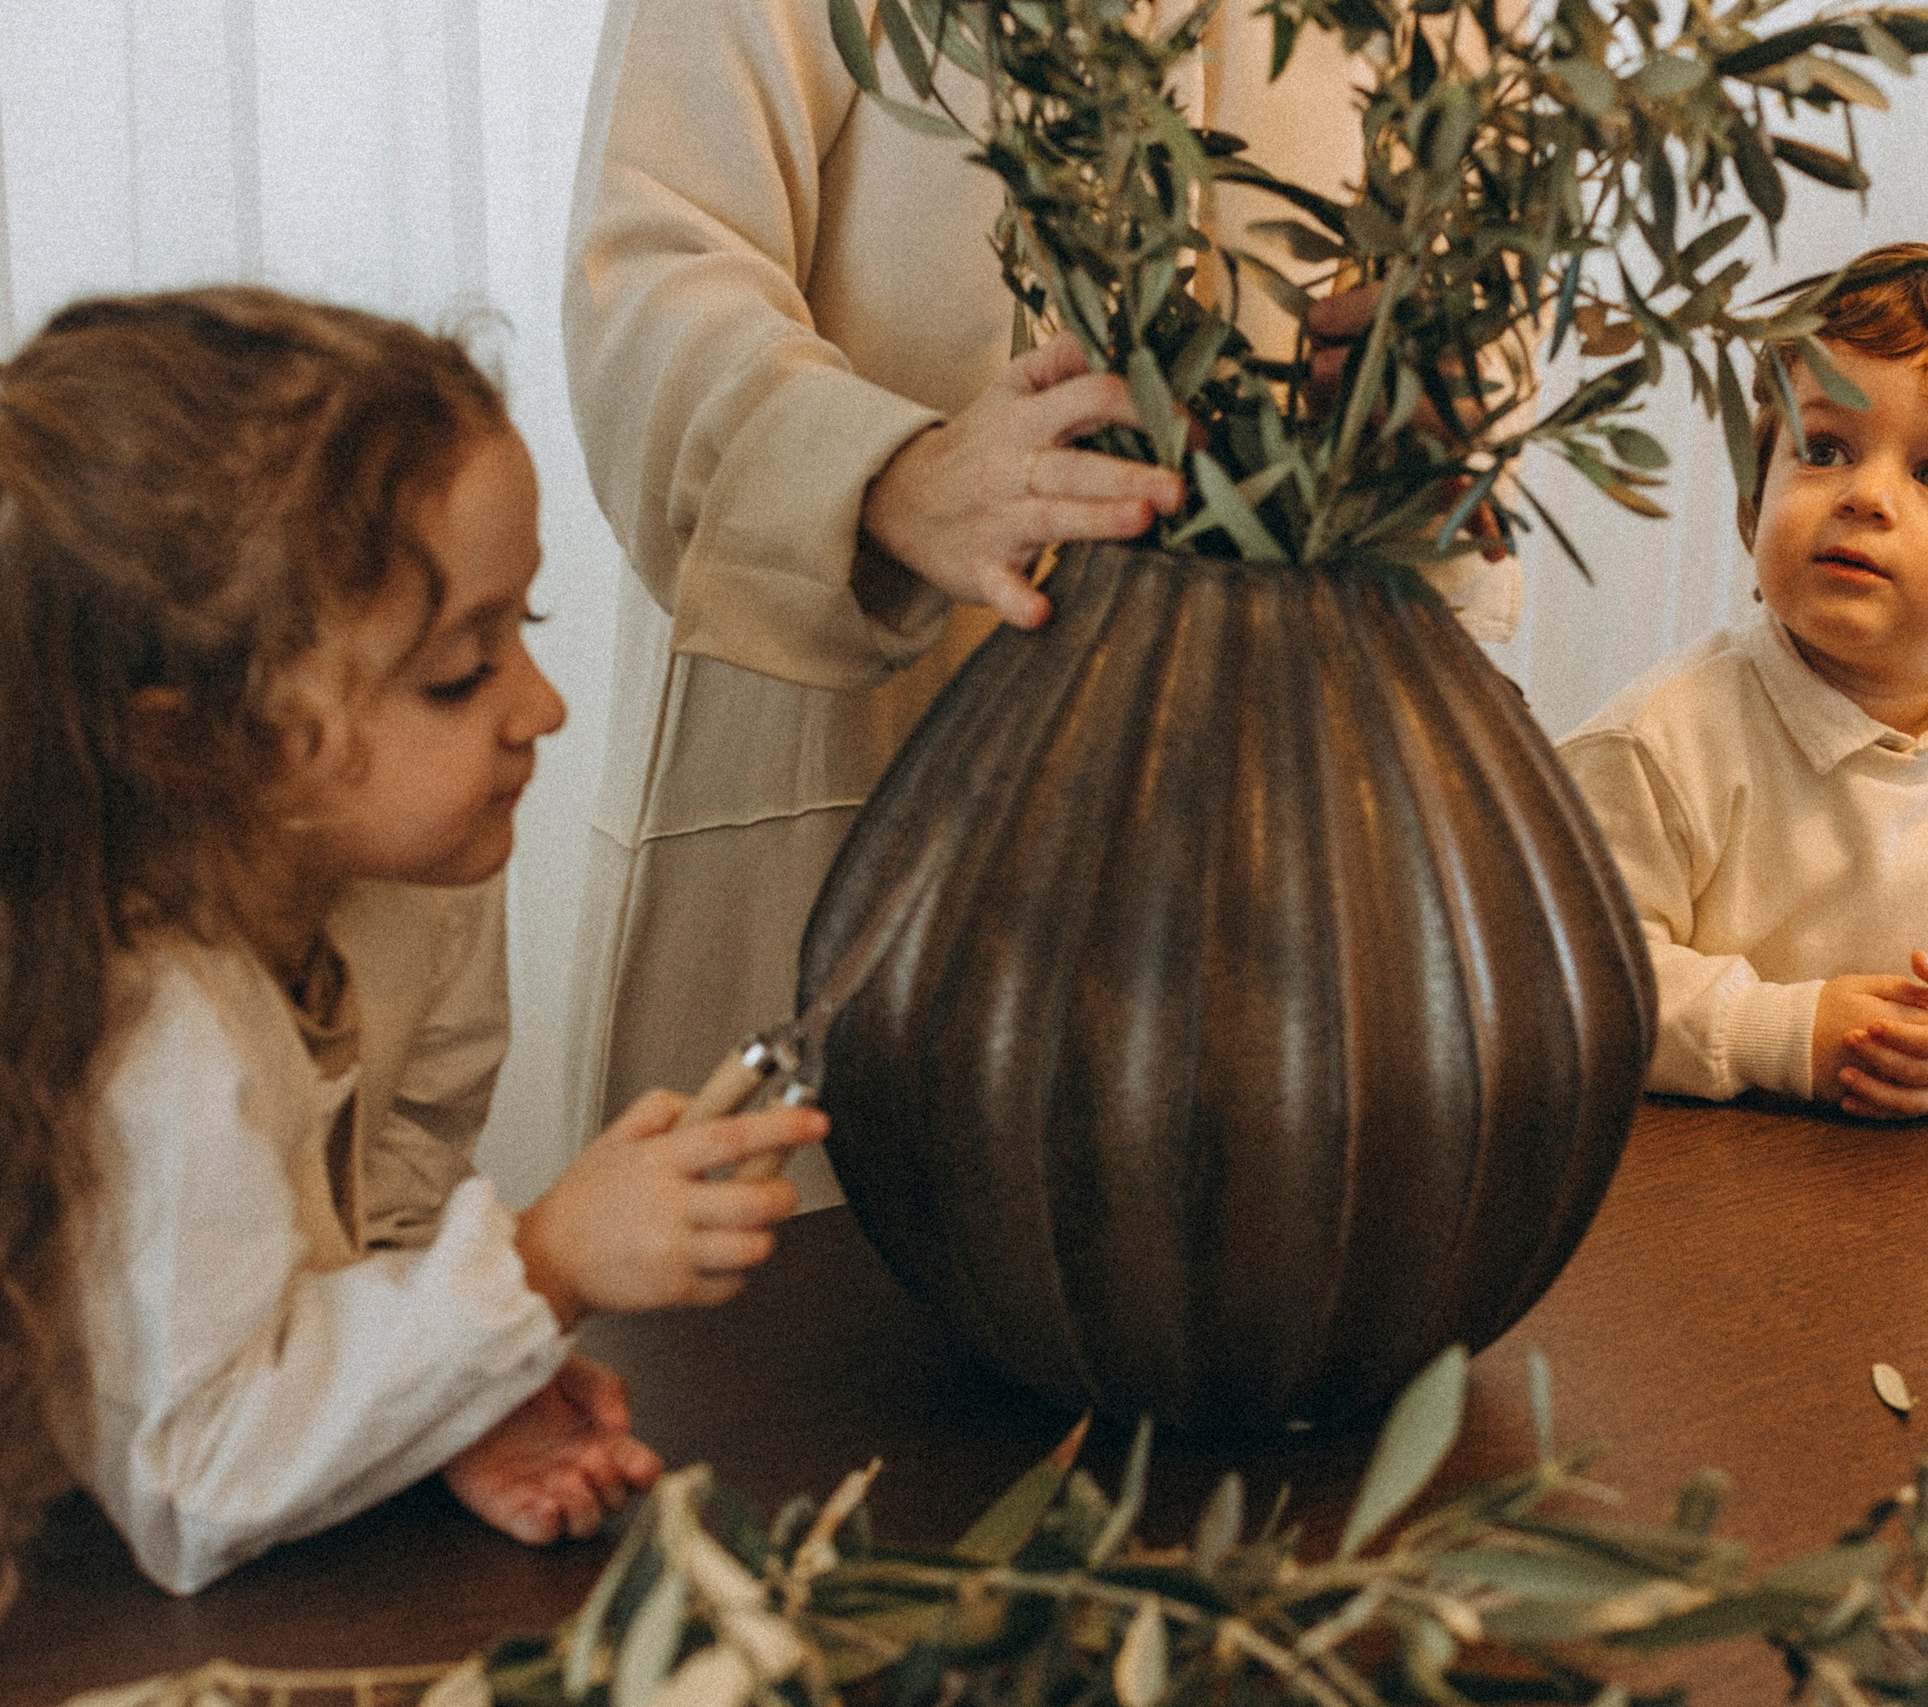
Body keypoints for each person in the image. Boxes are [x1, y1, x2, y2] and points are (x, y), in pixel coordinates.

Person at [0, 288, 825, 1673]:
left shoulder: (414, 885)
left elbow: (359, 1231)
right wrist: (543, 1263)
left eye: (527, 624)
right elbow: (193, 1476)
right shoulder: (153, 1035)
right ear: (201, 741)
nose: (541, 706)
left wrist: (451, 1406)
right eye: (461, 670)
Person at [561, 0, 1516, 1194]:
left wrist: (1423, 406)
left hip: (1251, 806)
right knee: (792, 1333)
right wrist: (888, 477)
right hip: (843, 766)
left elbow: (1480, 271)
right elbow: (653, 272)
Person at [1558, 242, 1928, 1119]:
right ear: (1758, 500)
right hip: (1696, 1193)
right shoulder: (1657, 744)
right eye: (1824, 448)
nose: (1866, 495)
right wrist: (1786, 1031)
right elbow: (1574, 985)